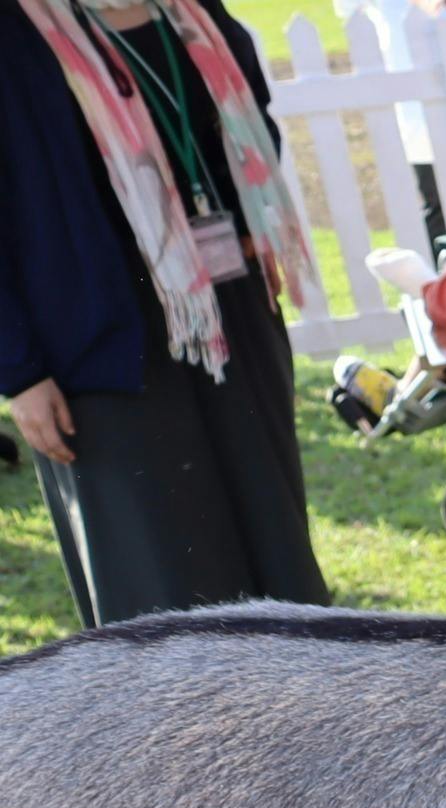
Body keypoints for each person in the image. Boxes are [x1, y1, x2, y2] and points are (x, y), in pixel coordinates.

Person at [2, 0, 330, 629]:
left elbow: (247, 118)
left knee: (276, 552)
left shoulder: (193, 10)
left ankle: (302, 718)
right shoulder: (13, 34)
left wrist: (246, 225)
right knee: (161, 587)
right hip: (99, 350)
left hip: (227, 313)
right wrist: (17, 370)